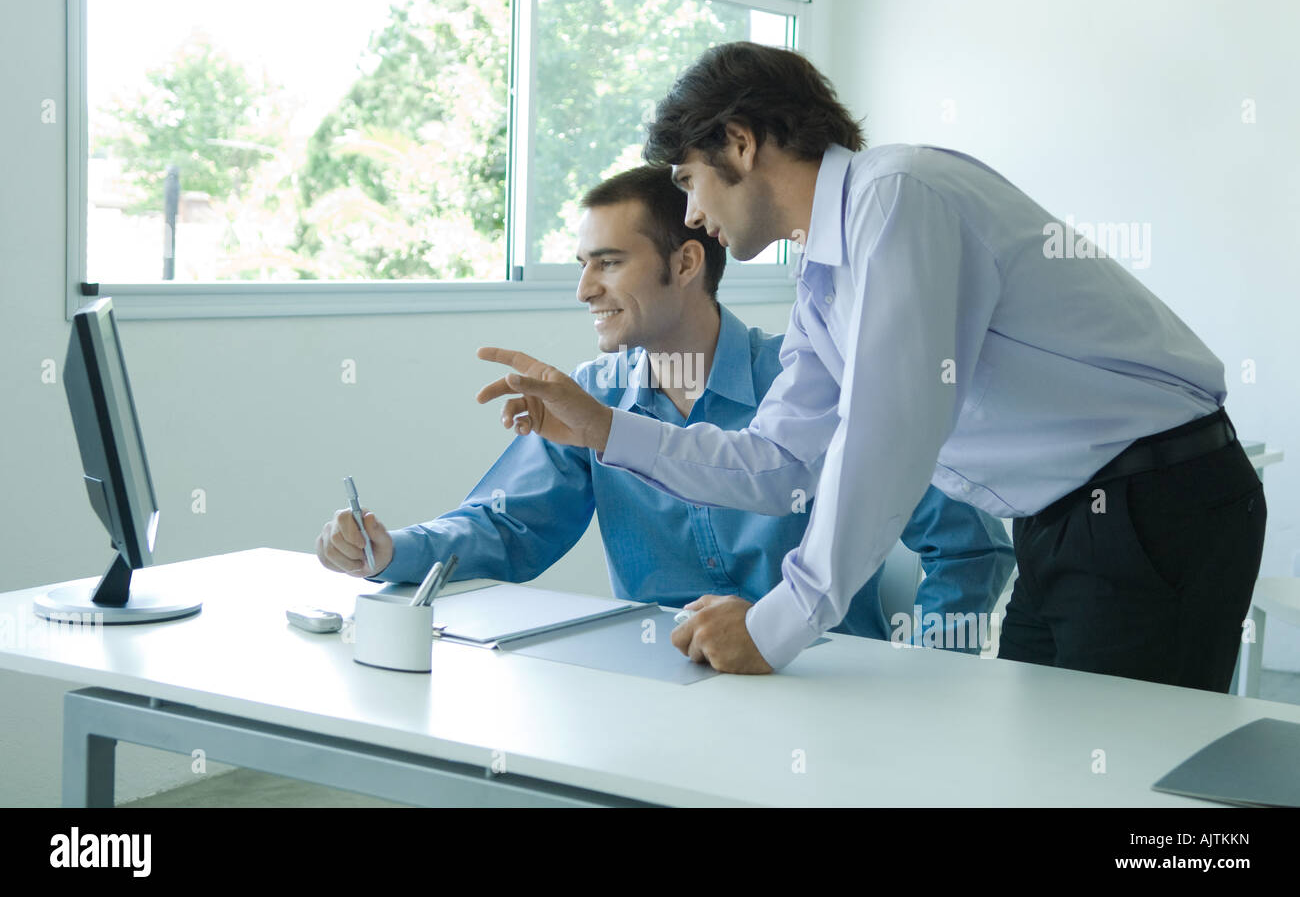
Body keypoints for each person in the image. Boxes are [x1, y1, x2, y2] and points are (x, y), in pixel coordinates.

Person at [475, 42, 1266, 692]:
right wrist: (607, 427)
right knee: (1044, 768)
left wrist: (777, 623)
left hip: (1158, 499)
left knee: (1122, 792)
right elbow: (778, 459)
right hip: (1064, 521)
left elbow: (888, 434)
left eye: (689, 179)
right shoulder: (824, 280)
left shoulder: (898, 196)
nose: (691, 214)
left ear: (741, 143)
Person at [317, 165, 1014, 650]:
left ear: (685, 264)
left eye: (609, 262)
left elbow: (968, 545)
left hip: (818, 687)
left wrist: (922, 677)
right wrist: (391, 550)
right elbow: (508, 528)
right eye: (583, 263)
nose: (584, 289)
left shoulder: (814, 386)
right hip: (659, 682)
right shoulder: (590, 398)